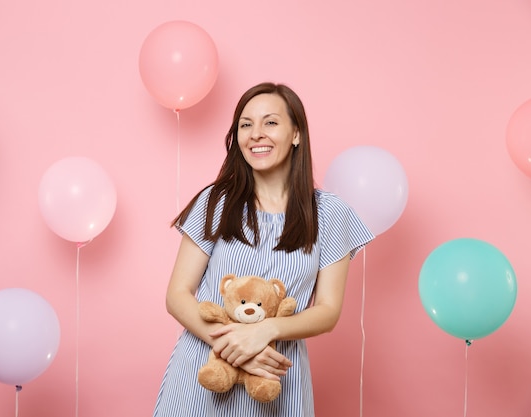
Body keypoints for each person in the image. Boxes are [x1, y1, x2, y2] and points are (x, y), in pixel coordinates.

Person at [152, 82, 374, 416]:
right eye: (246, 124)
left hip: (275, 380)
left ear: (296, 133)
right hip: (205, 369)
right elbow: (177, 295)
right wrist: (236, 347)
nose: (256, 134)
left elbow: (328, 310)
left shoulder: (330, 214)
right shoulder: (215, 202)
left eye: (270, 122)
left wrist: (265, 331)